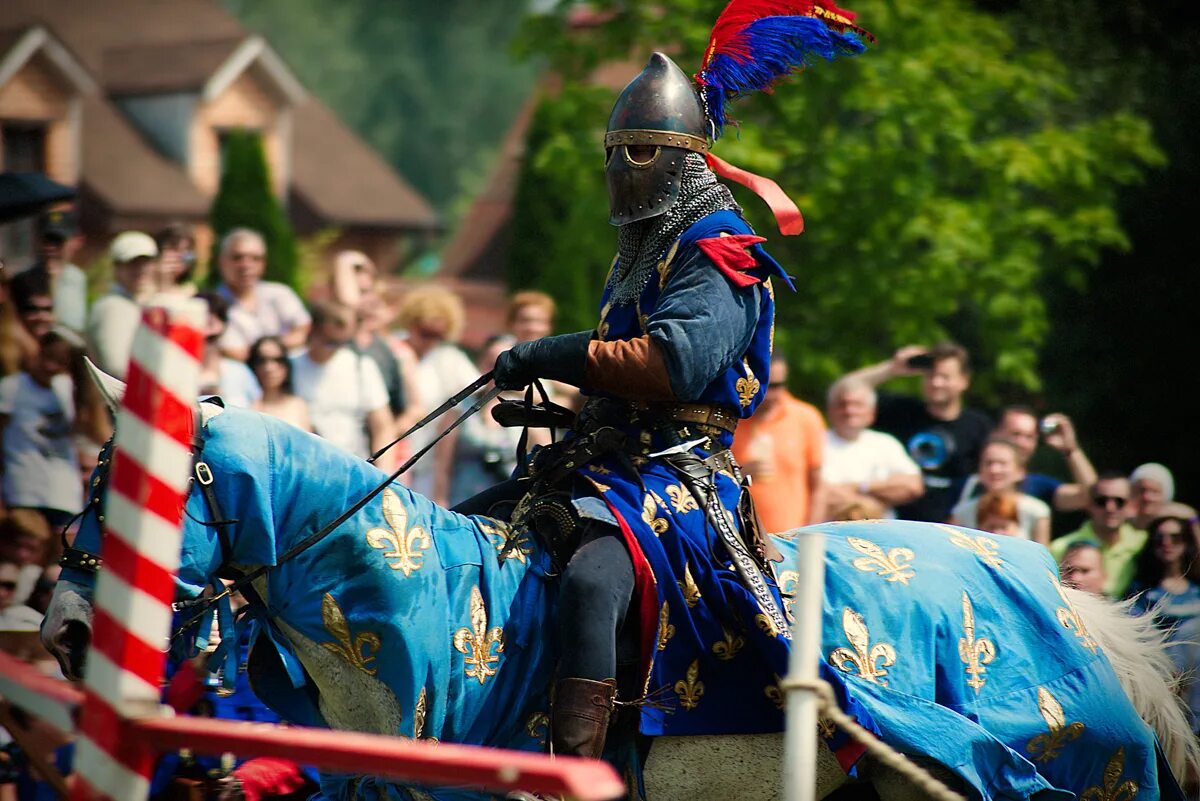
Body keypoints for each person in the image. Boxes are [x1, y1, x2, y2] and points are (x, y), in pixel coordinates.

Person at [483, 36, 872, 767]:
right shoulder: (639, 250)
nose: (619, 171)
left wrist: (548, 354)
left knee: (593, 580)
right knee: (470, 528)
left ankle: (576, 774)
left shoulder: (722, 246)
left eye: (637, 152)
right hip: (608, 465)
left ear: (681, 159)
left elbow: (673, 366)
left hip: (680, 477)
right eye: (614, 153)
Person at [839, 343, 992, 522]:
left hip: (953, 528)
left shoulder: (979, 426)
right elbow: (845, 389)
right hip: (894, 523)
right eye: (930, 375)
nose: (936, 383)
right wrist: (891, 368)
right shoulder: (901, 411)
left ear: (964, 381)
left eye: (945, 377)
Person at [0, 331, 84, 547]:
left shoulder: (69, 390)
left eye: (60, 362)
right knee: (23, 554)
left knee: (60, 558)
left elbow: (93, 428)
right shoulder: (11, 387)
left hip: (64, 492)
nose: (50, 366)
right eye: (47, 357)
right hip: (22, 489)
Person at [396, 285, 478, 504]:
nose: (430, 341)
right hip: (393, 452)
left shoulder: (450, 358)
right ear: (411, 323)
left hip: (428, 463)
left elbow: (480, 388)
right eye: (425, 333)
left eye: (438, 336)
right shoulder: (393, 350)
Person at [731, 352, 827, 530]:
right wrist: (740, 474)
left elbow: (818, 486)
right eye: (763, 384)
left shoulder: (805, 417)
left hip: (791, 536)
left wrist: (811, 533)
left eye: (776, 386)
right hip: (739, 535)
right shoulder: (730, 419)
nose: (768, 394)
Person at [290, 301, 393, 464]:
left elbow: (382, 426)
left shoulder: (362, 366)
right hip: (304, 465)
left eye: (343, 342)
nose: (336, 348)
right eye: (330, 341)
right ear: (313, 330)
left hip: (353, 465)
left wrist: (385, 471)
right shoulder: (290, 366)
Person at [1128, 504, 1200, 733]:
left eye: (1175, 538)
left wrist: (1192, 520)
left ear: (1187, 543)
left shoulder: (1197, 589)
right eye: (1160, 539)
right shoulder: (1143, 591)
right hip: (1162, 673)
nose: (1167, 543)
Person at [820, 376, 923, 519]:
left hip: (880, 531)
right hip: (825, 530)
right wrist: (868, 505)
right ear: (829, 410)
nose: (849, 410)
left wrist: (860, 487)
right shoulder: (816, 442)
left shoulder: (886, 443)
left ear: (871, 413)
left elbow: (912, 486)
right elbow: (816, 491)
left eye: (857, 405)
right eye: (842, 404)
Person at [215, 228, 311, 362]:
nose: (246, 265)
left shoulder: (280, 293)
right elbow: (233, 352)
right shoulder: (212, 305)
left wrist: (269, 348)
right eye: (238, 258)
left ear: (264, 263)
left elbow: (305, 330)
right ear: (221, 261)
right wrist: (277, 348)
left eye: (256, 259)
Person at [1049, 473, 1147, 597]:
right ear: (1088, 505)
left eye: (1119, 501)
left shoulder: (1144, 542)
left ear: (1132, 505)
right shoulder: (1059, 547)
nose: (1110, 508)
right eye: (1101, 501)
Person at [983, 405, 1096, 511]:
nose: (1022, 443)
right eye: (1016, 434)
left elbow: (1093, 497)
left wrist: (1071, 450)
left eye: (1029, 437)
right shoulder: (974, 483)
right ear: (995, 434)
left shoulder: (1038, 486)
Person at [948, 437, 1050, 545]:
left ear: (1020, 471)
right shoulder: (962, 512)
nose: (994, 470)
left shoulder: (1037, 511)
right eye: (989, 463)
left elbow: (1042, 553)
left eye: (1002, 463)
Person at [86, 230, 158, 378]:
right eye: (133, 263)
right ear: (117, 267)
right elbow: (117, 368)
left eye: (146, 262)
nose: (141, 269)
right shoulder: (111, 308)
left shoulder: (146, 303)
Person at [194, 291, 261, 407]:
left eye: (210, 323)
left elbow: (257, 408)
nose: (205, 331)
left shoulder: (239, 371)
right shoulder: (178, 372)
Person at [27, 208, 88, 334]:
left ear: (76, 241)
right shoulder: (23, 281)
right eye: (46, 240)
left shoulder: (79, 278)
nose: (50, 247)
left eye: (57, 241)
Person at [248, 336, 312, 431]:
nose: (269, 368)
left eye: (278, 360)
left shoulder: (299, 405)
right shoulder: (247, 407)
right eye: (261, 361)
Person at [154, 222, 198, 295]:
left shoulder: (190, 290)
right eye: (174, 248)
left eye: (187, 249)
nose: (181, 255)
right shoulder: (144, 286)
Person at [1129, 462, 1175, 531]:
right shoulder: (1119, 527)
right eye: (1142, 490)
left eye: (1154, 492)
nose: (1147, 497)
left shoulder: (1172, 532)